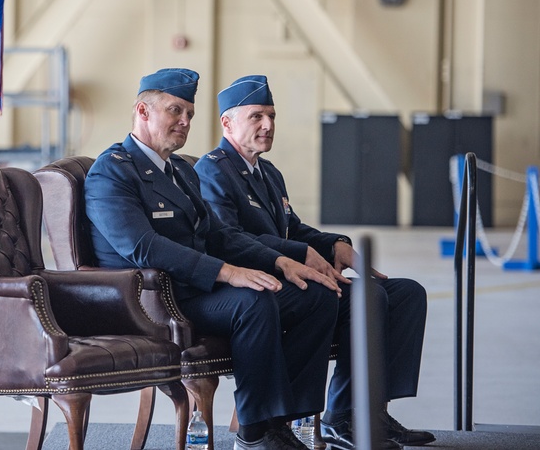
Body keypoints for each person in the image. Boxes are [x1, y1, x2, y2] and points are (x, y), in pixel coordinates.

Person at [85, 68, 343, 450]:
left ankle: (283, 423)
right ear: (142, 111)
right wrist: (226, 272)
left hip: (195, 290)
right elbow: (142, 246)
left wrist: (279, 263)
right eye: (175, 111)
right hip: (153, 300)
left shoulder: (182, 174)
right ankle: (255, 432)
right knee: (253, 302)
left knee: (313, 295)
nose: (185, 121)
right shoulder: (112, 172)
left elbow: (219, 235)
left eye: (189, 113)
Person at [195, 75, 434, 450]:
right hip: (255, 280)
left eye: (272, 116)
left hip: (288, 273)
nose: (268, 125)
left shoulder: (268, 172)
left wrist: (334, 244)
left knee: (405, 293)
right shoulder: (212, 170)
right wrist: (295, 253)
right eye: (257, 116)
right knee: (360, 298)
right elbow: (227, 239)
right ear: (227, 123)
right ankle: (316, 419)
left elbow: (294, 228)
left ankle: (363, 412)